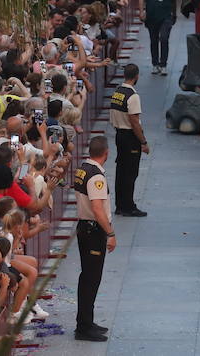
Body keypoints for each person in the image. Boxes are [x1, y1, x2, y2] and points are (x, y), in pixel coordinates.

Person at [73, 135, 115, 343]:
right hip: (93, 231)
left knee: (88, 277)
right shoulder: (96, 176)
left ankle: (87, 322)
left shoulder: (82, 169)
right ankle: (83, 327)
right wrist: (111, 233)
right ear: (106, 153)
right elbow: (98, 209)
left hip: (84, 227)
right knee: (91, 279)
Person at [108, 64, 149, 217]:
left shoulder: (117, 92)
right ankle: (129, 206)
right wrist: (143, 142)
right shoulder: (133, 96)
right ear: (136, 76)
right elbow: (134, 121)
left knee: (121, 171)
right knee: (131, 172)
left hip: (119, 134)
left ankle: (120, 205)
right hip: (130, 137)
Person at [138, 0, 177, 76]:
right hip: (151, 18)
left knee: (164, 39)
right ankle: (155, 64)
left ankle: (163, 64)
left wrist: (174, 15)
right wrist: (141, 12)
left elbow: (174, 1)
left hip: (166, 18)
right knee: (154, 40)